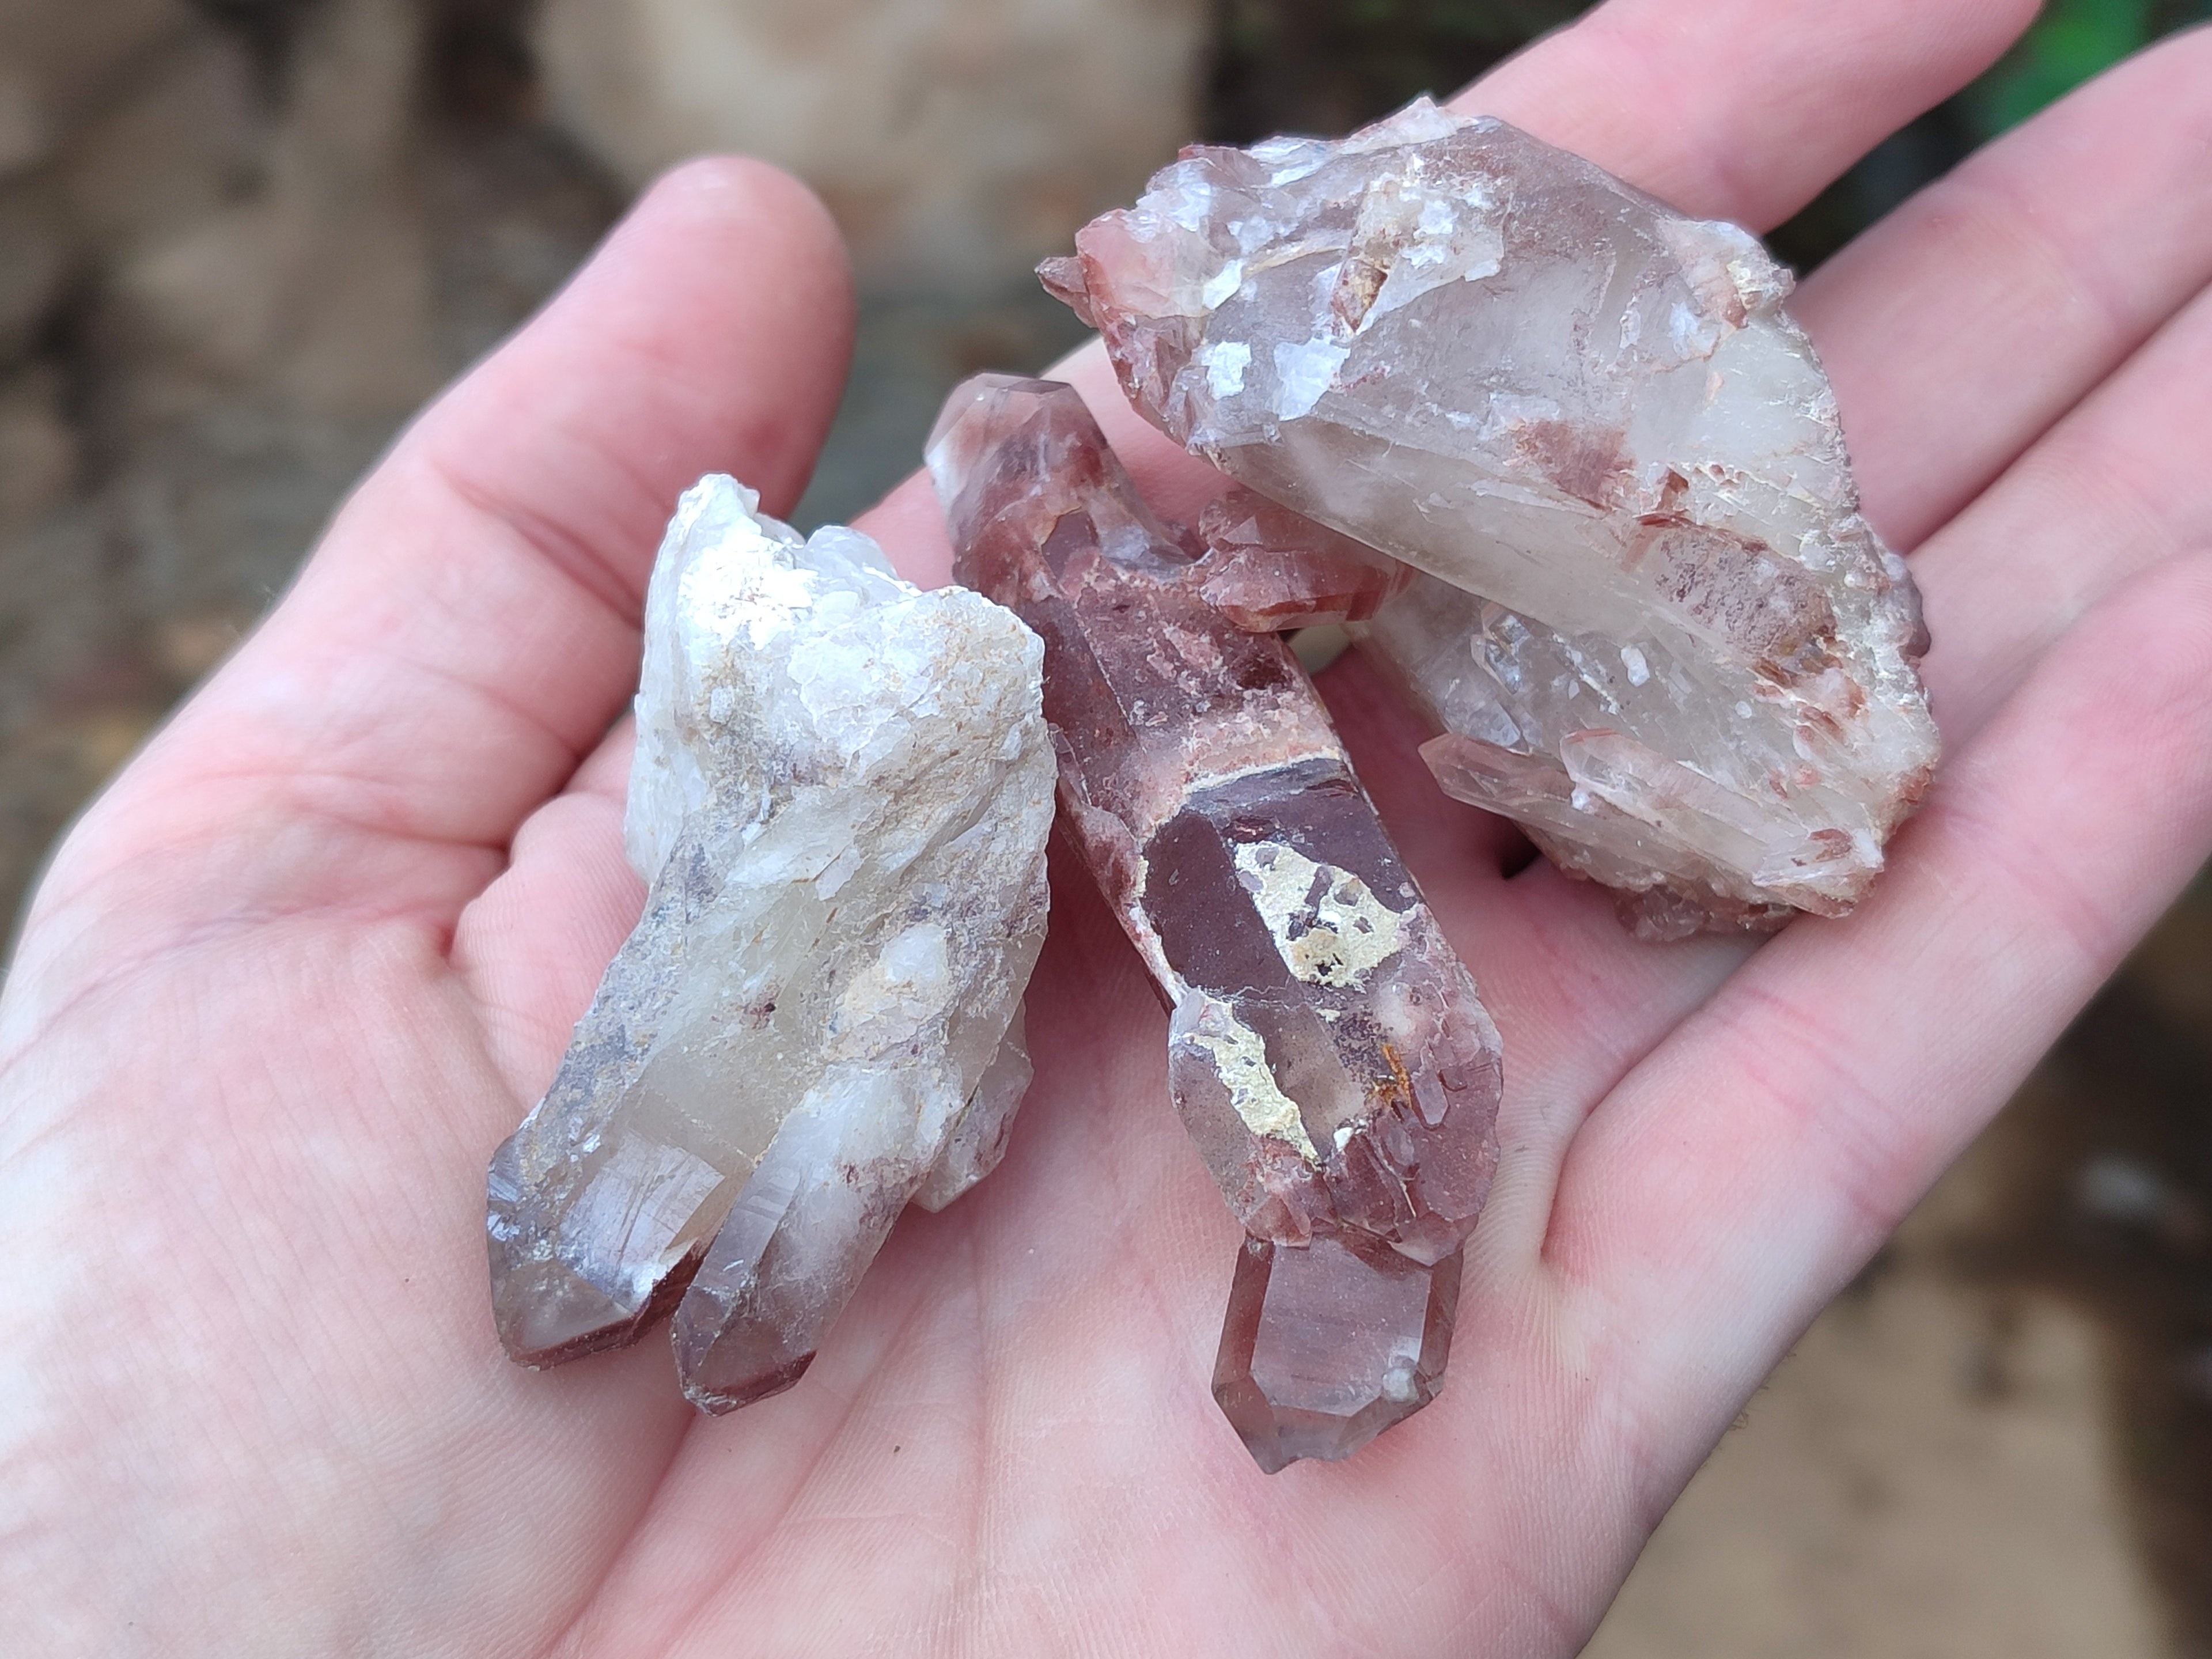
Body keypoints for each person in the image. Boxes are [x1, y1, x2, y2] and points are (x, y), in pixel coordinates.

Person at [4, 0, 2209, 1649]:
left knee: (1339, 1066)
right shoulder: (1050, 644)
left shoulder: (1264, 626)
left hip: (1434, 732)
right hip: (1138, 755)